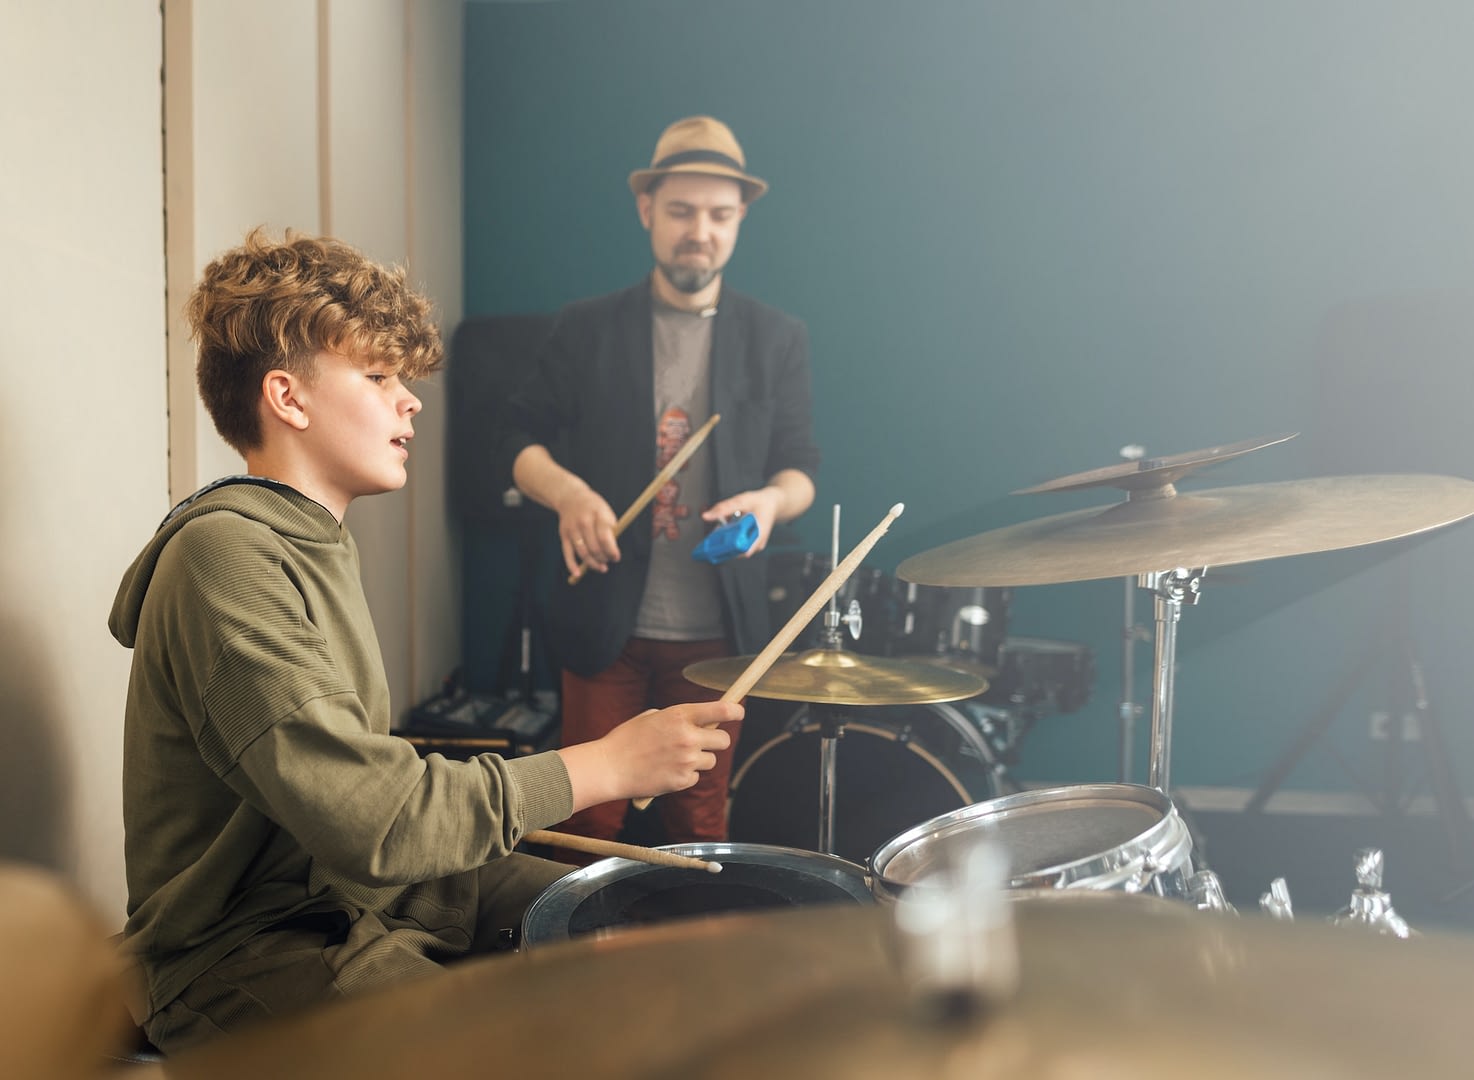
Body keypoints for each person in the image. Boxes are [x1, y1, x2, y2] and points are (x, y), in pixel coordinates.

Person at [109, 228, 739, 1053]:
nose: (409, 400)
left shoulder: (314, 542)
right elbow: (373, 822)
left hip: (359, 898)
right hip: (246, 949)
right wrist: (606, 765)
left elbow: (369, 807)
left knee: (634, 916)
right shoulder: (224, 559)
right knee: (533, 1048)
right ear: (287, 399)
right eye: (377, 376)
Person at [495, 116, 819, 857]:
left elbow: (801, 467)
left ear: (740, 219)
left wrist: (771, 502)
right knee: (583, 824)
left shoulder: (776, 338)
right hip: (606, 621)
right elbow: (515, 441)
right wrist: (568, 494)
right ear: (647, 210)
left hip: (717, 632)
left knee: (701, 830)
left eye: (718, 214)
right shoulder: (586, 328)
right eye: (680, 211)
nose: (698, 231)